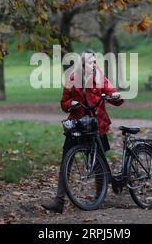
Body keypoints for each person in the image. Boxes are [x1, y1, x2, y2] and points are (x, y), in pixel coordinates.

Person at [41, 49, 123, 213]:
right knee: (66, 161)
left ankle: (100, 197)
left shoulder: (99, 77)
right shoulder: (72, 79)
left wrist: (116, 96)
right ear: (82, 65)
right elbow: (64, 103)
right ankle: (59, 201)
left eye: (95, 62)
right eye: (91, 62)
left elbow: (111, 93)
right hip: (77, 124)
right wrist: (71, 104)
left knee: (99, 162)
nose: (94, 65)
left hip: (96, 124)